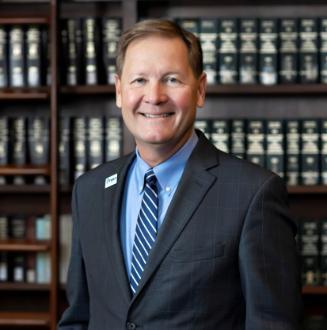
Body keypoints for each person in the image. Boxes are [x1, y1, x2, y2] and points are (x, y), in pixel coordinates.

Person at [58, 19, 301, 330]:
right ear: (119, 91)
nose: (155, 96)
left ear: (200, 90)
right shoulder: (89, 190)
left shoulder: (254, 193)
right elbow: (78, 318)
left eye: (171, 80)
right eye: (139, 80)